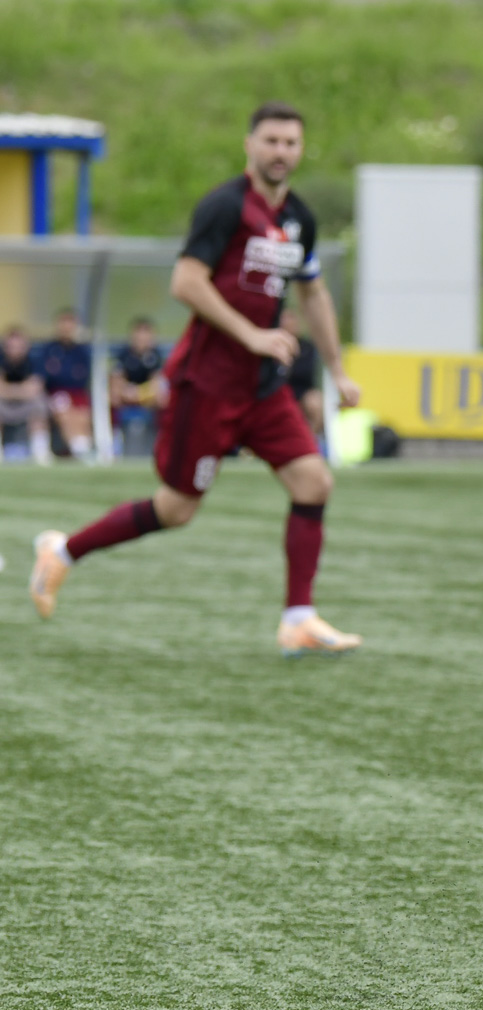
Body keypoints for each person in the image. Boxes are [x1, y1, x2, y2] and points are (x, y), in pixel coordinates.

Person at [29, 102, 364, 657]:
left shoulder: (299, 219)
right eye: (271, 140)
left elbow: (313, 293)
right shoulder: (225, 206)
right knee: (176, 509)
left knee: (314, 482)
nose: (281, 151)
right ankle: (62, 552)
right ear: (249, 145)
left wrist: (338, 370)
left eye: (290, 142)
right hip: (206, 386)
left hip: (261, 388)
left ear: (301, 150)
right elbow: (186, 282)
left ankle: (298, 619)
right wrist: (251, 334)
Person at [38, 308, 96, 462]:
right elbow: (50, 377)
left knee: (82, 415)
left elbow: (80, 378)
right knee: (65, 411)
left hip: (77, 394)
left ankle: (83, 446)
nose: (66, 327)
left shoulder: (81, 351)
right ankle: (80, 449)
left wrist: (62, 373)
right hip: (55, 393)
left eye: (70, 323)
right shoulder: (49, 349)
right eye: (63, 322)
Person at [110, 316, 168, 457]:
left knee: (163, 399)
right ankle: (114, 444)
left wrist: (138, 394)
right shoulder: (123, 355)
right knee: (113, 397)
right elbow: (116, 384)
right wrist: (128, 392)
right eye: (139, 334)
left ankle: (162, 445)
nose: (142, 338)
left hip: (147, 401)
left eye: (146, 334)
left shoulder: (156, 356)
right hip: (126, 400)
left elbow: (157, 386)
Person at [0, 326, 51, 465]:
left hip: (27, 403)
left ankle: (40, 452)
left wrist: (9, 390)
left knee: (39, 402)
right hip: (4, 404)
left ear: (26, 347)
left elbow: (35, 388)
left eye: (19, 346)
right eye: (11, 346)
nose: (15, 350)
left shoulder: (35, 359)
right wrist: (21, 389)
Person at [280, 307, 325, 434]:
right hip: (279, 391)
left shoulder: (307, 347)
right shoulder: (274, 345)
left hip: (302, 393)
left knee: (315, 402)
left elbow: (306, 372)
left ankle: (310, 438)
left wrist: (288, 365)